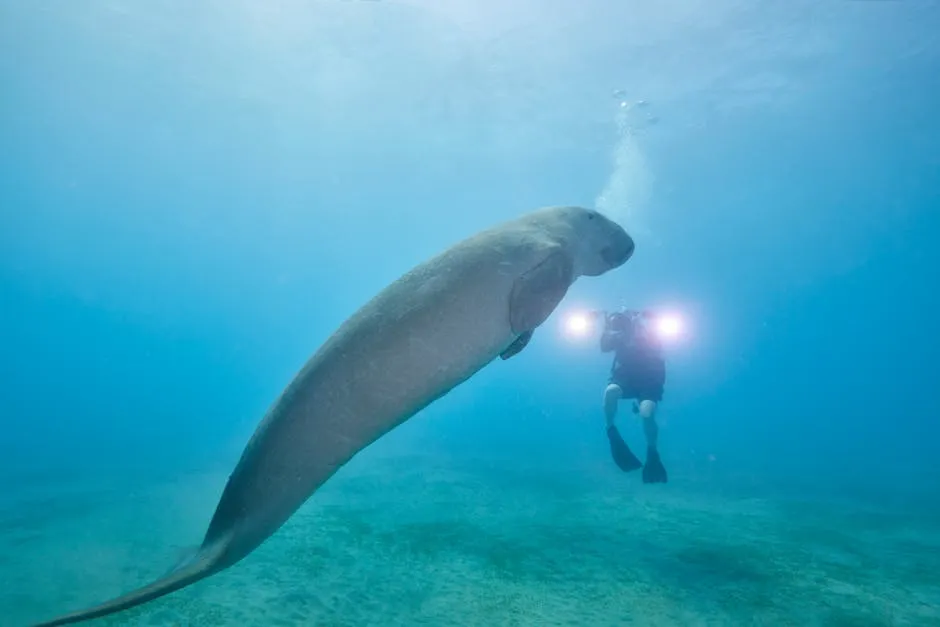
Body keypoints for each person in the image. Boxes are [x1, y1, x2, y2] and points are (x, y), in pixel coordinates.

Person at [593, 307, 668, 483]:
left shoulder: (649, 333)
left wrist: (651, 321)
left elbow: (658, 345)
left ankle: (652, 452)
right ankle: (611, 430)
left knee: (646, 413)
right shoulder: (618, 336)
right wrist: (607, 327)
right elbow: (604, 347)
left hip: (650, 378)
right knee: (610, 392)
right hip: (625, 376)